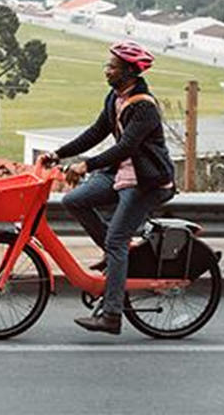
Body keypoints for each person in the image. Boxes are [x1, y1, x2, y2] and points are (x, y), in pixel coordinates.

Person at [37, 41, 176, 335]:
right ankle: (117, 259)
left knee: (116, 241)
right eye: (108, 65)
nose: (107, 70)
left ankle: (111, 315)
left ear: (129, 72)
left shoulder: (143, 107)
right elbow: (96, 132)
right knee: (74, 200)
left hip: (146, 181)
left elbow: (126, 146)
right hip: (120, 174)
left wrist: (85, 166)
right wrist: (59, 154)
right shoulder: (114, 97)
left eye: (112, 67)